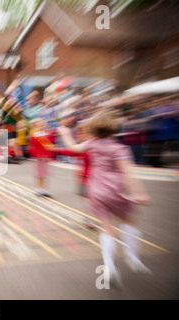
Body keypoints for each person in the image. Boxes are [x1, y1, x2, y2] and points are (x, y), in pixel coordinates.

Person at [57, 110, 151, 287]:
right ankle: (133, 257)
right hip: (115, 189)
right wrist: (139, 192)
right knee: (128, 221)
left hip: (96, 188)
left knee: (107, 228)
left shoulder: (91, 144)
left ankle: (109, 266)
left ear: (93, 130)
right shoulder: (120, 148)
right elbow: (128, 172)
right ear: (113, 129)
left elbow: (72, 148)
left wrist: (65, 133)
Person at [28, 118, 55, 197]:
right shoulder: (34, 135)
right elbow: (32, 147)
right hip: (38, 158)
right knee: (38, 173)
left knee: (44, 174)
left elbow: (49, 146)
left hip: (45, 157)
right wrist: (37, 155)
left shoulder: (47, 134)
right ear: (35, 125)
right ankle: (37, 188)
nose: (41, 125)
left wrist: (48, 155)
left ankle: (43, 189)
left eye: (43, 124)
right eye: (39, 123)